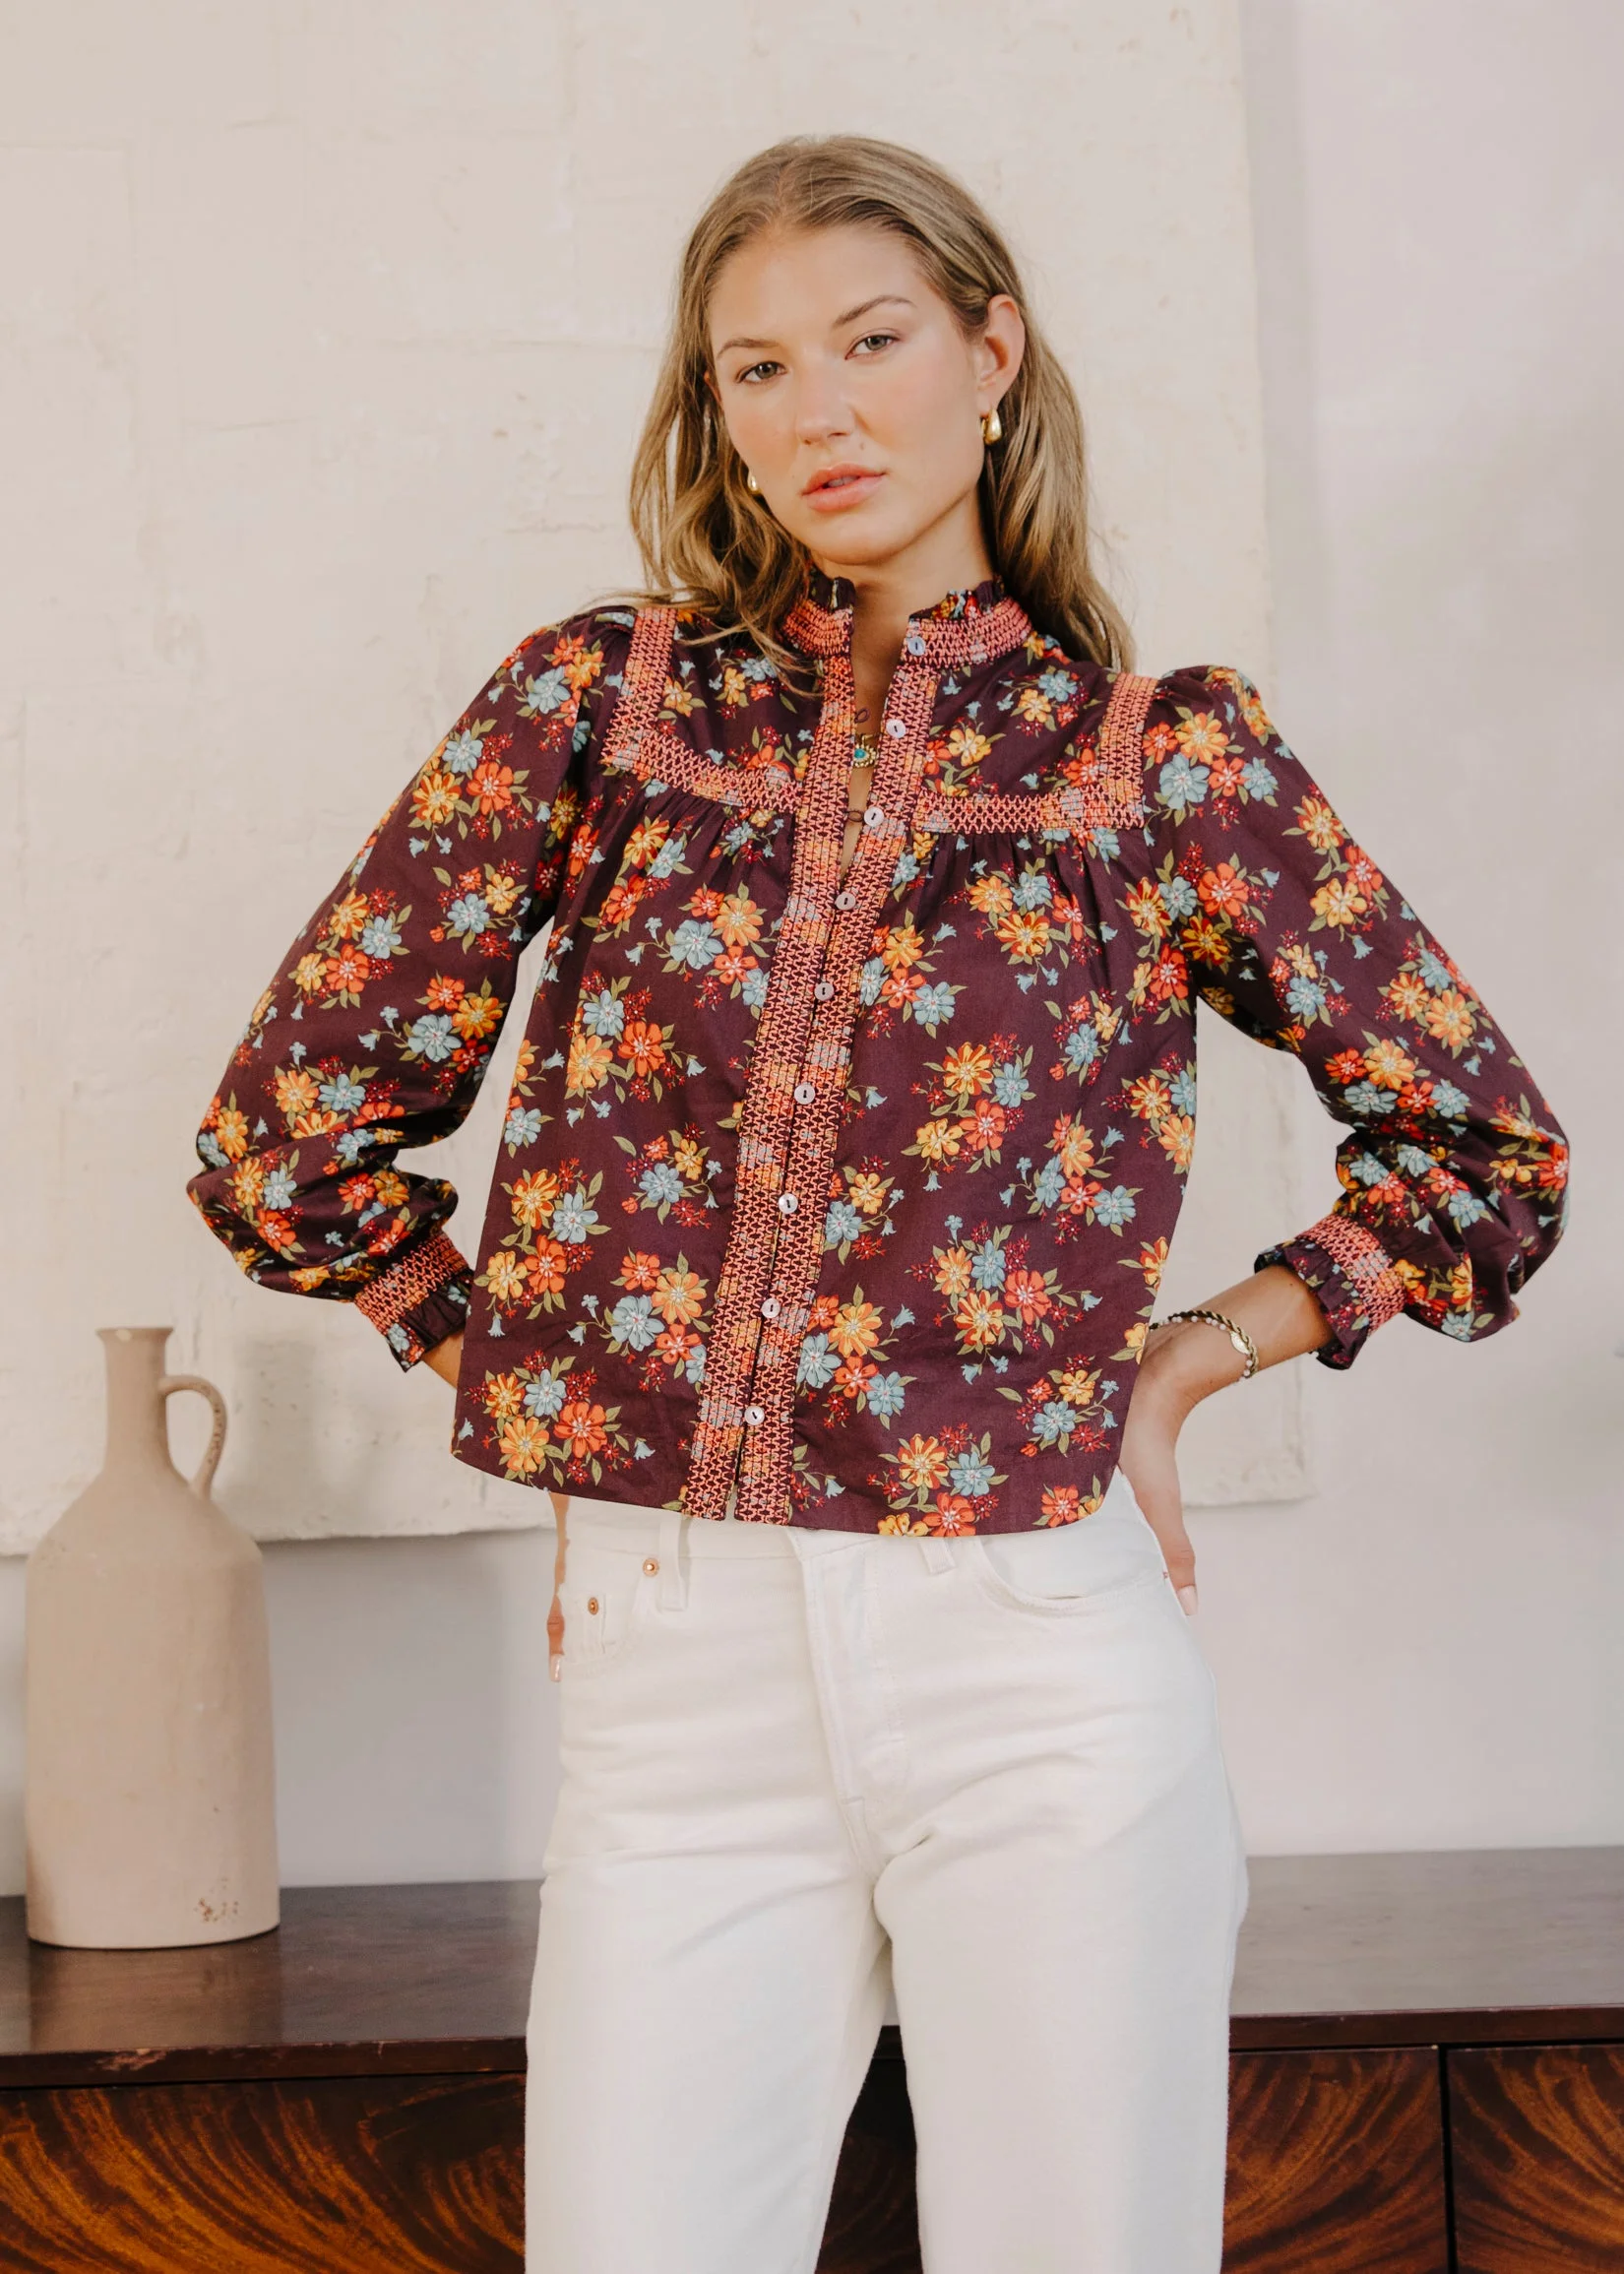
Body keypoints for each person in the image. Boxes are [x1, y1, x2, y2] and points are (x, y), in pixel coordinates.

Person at [188, 135, 1567, 2274]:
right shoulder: (598, 708)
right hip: (676, 1673)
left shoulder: (1156, 763)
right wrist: (568, 1393)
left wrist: (1185, 1369)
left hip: (1036, 1654)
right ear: (714, 412)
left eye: (870, 341)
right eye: (756, 370)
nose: (818, 412)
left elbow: (1484, 1155)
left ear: (990, 354)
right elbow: (285, 1140)